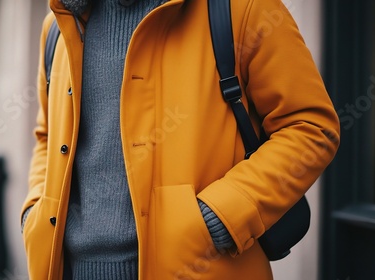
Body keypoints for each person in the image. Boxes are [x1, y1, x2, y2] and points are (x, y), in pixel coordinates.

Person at [20, 0, 340, 279]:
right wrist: (34, 210)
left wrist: (219, 217)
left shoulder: (241, 7)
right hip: (72, 271)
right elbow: (48, 135)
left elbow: (310, 126)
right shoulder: (59, 25)